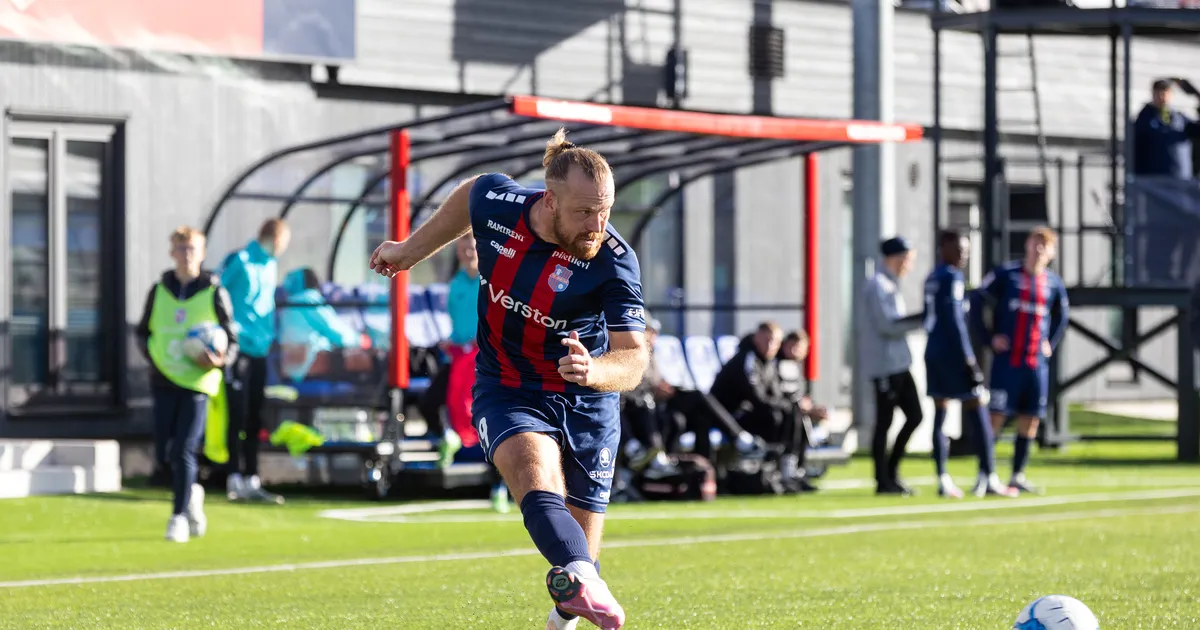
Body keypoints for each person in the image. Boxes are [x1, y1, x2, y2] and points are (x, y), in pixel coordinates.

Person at [369, 129, 647, 630]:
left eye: (604, 210)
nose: (597, 225)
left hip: (587, 400)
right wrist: (410, 251)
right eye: (585, 212)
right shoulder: (501, 206)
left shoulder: (614, 258)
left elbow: (633, 359)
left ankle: (564, 612)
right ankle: (582, 582)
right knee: (531, 475)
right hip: (509, 385)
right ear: (549, 200)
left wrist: (595, 369)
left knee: (578, 559)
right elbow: (471, 194)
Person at [136, 226, 237, 542]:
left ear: (202, 252)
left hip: (198, 383)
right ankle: (191, 492)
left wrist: (219, 360)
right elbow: (142, 332)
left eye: (192, 248)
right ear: (172, 253)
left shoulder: (214, 291)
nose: (186, 254)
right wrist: (154, 360)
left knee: (184, 449)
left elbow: (232, 340)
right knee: (165, 453)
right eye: (181, 248)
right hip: (163, 379)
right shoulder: (159, 290)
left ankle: (177, 517)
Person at [970, 227, 1069, 495]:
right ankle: (985, 474)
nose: (1038, 250)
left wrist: (1051, 341)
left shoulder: (1053, 283)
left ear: (1051, 253)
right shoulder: (1007, 276)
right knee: (996, 416)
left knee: (1031, 419)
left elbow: (1062, 315)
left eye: (1044, 246)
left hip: (1036, 365)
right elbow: (978, 302)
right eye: (1035, 243)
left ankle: (1017, 475)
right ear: (1026, 245)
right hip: (1008, 364)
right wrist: (989, 339)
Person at [922, 231, 1016, 499]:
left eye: (966, 251)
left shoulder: (931, 277)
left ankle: (943, 478)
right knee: (977, 407)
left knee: (940, 413)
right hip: (952, 354)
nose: (964, 255)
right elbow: (954, 320)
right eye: (959, 250)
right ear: (944, 248)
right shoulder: (952, 277)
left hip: (933, 350)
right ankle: (989, 475)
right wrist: (969, 358)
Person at [221, 218, 290, 504]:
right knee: (236, 414)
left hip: (260, 350)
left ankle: (252, 478)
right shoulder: (241, 261)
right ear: (275, 238)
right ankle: (232, 477)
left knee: (254, 417)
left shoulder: (270, 265)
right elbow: (218, 293)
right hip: (239, 351)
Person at [711, 322, 815, 492]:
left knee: (791, 411)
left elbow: (774, 395)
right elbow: (756, 397)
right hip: (730, 417)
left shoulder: (769, 362)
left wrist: (794, 404)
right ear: (757, 338)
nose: (771, 345)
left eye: (775, 342)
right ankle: (776, 469)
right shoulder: (748, 359)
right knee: (779, 414)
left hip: (748, 413)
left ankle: (790, 469)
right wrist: (787, 405)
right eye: (767, 340)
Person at [860, 236, 925, 496]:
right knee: (884, 422)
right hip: (884, 366)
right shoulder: (878, 285)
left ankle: (891, 472)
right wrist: (922, 319)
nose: (909, 265)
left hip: (899, 363)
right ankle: (883, 479)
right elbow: (888, 325)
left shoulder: (890, 284)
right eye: (907, 259)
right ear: (895, 257)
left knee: (915, 415)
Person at [277, 267, 364, 382]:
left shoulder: (289, 304)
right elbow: (336, 332)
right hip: (307, 365)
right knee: (367, 359)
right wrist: (361, 340)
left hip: (293, 367)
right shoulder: (307, 300)